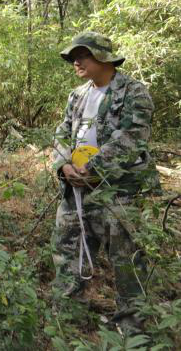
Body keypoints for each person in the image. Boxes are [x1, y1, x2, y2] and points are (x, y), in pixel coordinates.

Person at [50, 31, 160, 333]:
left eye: (82, 56)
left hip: (118, 191)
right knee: (67, 250)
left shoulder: (133, 92)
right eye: (73, 58)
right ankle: (69, 318)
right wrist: (63, 166)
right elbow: (61, 134)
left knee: (126, 260)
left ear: (102, 57)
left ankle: (131, 326)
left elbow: (132, 138)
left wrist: (92, 168)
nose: (76, 62)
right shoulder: (78, 95)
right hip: (76, 191)